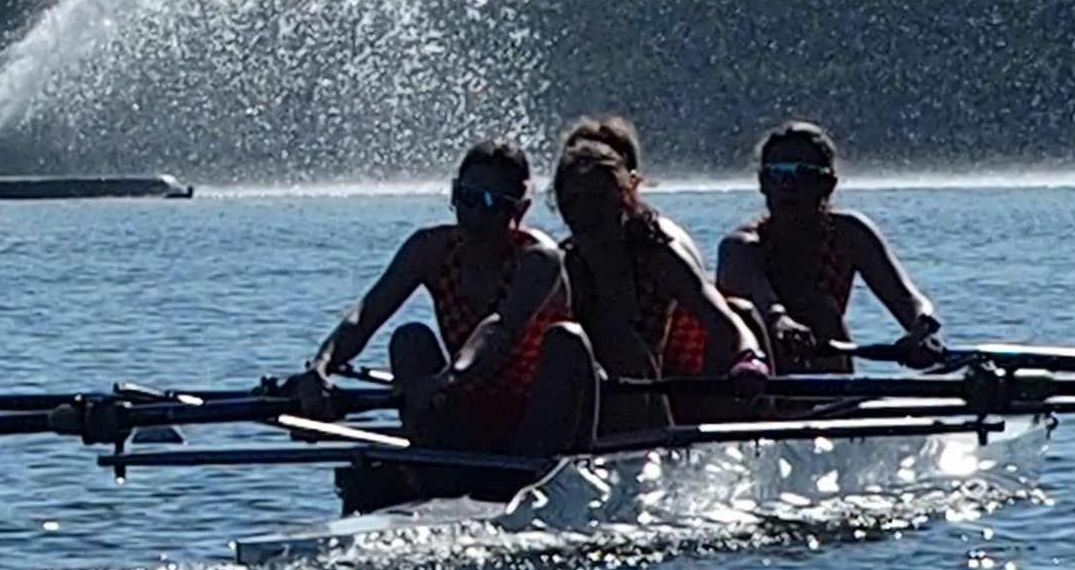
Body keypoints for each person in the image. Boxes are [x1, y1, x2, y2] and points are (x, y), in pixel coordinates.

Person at [307, 140, 592, 462]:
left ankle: (529, 469)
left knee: (568, 341)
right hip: (468, 404)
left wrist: (451, 377)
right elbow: (365, 316)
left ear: (520, 211)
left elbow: (500, 328)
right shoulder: (429, 250)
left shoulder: (539, 259)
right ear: (455, 194)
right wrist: (320, 367)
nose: (475, 215)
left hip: (542, 412)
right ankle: (440, 468)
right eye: (467, 199)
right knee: (409, 339)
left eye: (493, 204)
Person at [548, 120, 770, 430]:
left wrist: (750, 359)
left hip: (648, 401)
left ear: (626, 195)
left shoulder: (658, 255)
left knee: (623, 342)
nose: (584, 213)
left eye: (598, 199)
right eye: (572, 201)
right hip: (585, 404)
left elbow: (726, 325)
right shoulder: (562, 264)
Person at [718, 121, 945, 373]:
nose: (787, 186)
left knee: (821, 311)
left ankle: (833, 400)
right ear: (763, 183)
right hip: (747, 375)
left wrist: (922, 329)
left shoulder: (851, 234)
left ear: (827, 184)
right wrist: (780, 321)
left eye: (801, 174)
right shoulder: (740, 246)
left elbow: (908, 299)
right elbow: (765, 304)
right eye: (776, 174)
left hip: (818, 366)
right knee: (815, 306)